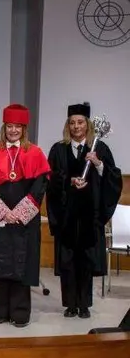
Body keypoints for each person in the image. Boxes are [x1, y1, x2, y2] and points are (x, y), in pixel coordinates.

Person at [47, 103, 122, 319]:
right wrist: (68, 181)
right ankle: (70, 304)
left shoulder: (100, 149)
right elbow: (50, 179)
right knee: (69, 262)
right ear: (67, 125)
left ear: (87, 124)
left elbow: (113, 179)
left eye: (80, 122)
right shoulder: (58, 149)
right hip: (67, 216)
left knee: (85, 262)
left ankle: (84, 304)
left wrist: (98, 165)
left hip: (90, 216)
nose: (76, 126)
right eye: (72, 123)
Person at [0, 104, 50, 328]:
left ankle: (20, 313)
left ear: (24, 128)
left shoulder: (35, 152)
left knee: (22, 262)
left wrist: (20, 212)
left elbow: (39, 186)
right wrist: (2, 212)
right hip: (0, 217)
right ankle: (0, 311)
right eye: (9, 126)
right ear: (4, 127)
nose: (13, 130)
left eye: (17, 127)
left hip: (24, 219)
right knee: (1, 263)